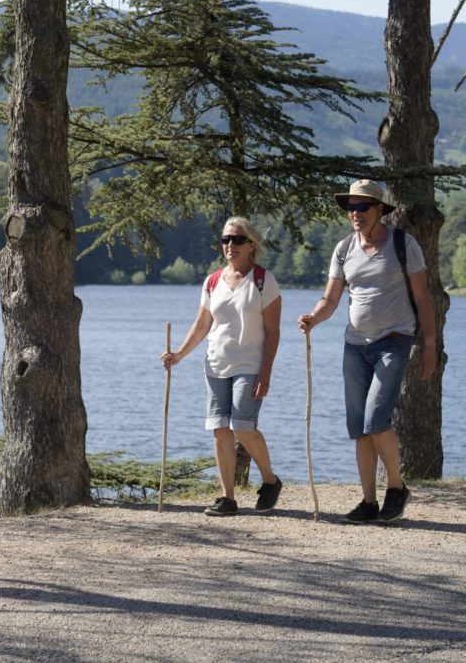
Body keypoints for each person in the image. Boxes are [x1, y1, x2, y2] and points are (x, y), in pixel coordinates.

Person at [297, 179, 437, 524]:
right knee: (360, 427)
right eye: (350, 207)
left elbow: (422, 298)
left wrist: (430, 345)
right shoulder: (344, 249)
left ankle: (396, 488)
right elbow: (330, 299)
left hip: (394, 341)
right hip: (355, 345)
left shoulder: (404, 245)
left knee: (377, 419)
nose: (355, 213)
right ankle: (368, 501)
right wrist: (314, 317)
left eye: (363, 207)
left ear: (379, 210)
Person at [161, 216, 284, 517]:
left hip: (250, 364)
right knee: (220, 430)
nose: (230, 245)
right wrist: (179, 354)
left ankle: (270, 480)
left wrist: (266, 372)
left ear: (251, 244)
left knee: (242, 426)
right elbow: (203, 324)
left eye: (237, 240)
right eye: (226, 240)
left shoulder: (263, 281)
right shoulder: (213, 281)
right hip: (215, 365)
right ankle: (227, 498)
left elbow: (273, 332)